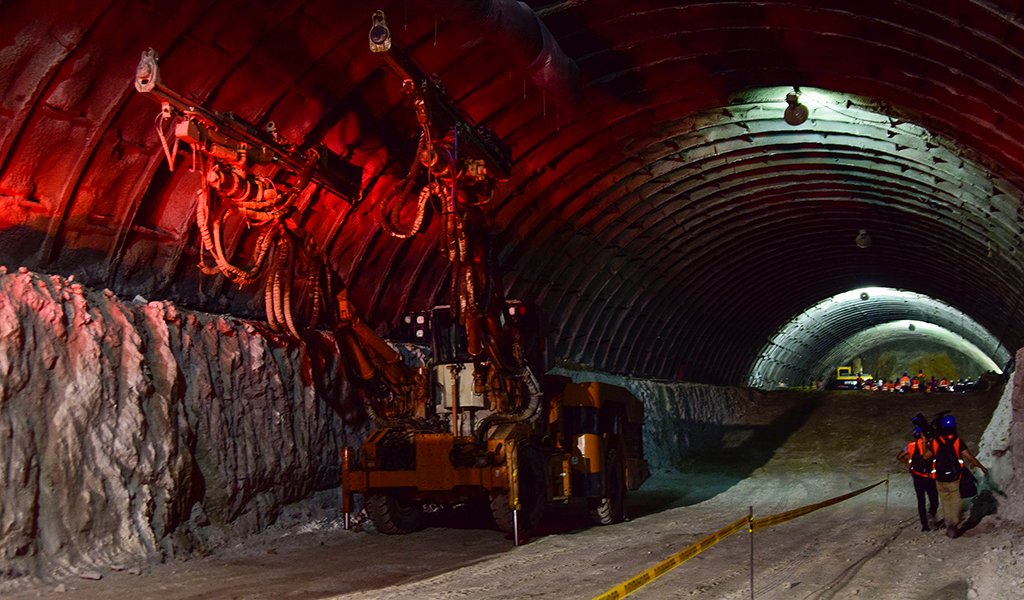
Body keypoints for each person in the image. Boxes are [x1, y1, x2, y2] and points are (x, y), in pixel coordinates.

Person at [931, 414, 989, 538]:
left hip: (939, 477)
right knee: (955, 501)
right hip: (954, 477)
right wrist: (981, 467)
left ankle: (948, 523)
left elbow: (926, 456)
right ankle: (954, 524)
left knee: (945, 501)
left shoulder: (935, 441)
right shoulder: (957, 441)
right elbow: (969, 457)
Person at [895, 426, 938, 531]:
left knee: (921, 501)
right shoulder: (929, 445)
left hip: (917, 476)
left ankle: (924, 525)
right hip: (928, 477)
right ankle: (931, 515)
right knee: (934, 499)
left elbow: (899, 456)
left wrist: (909, 463)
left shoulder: (910, 446)